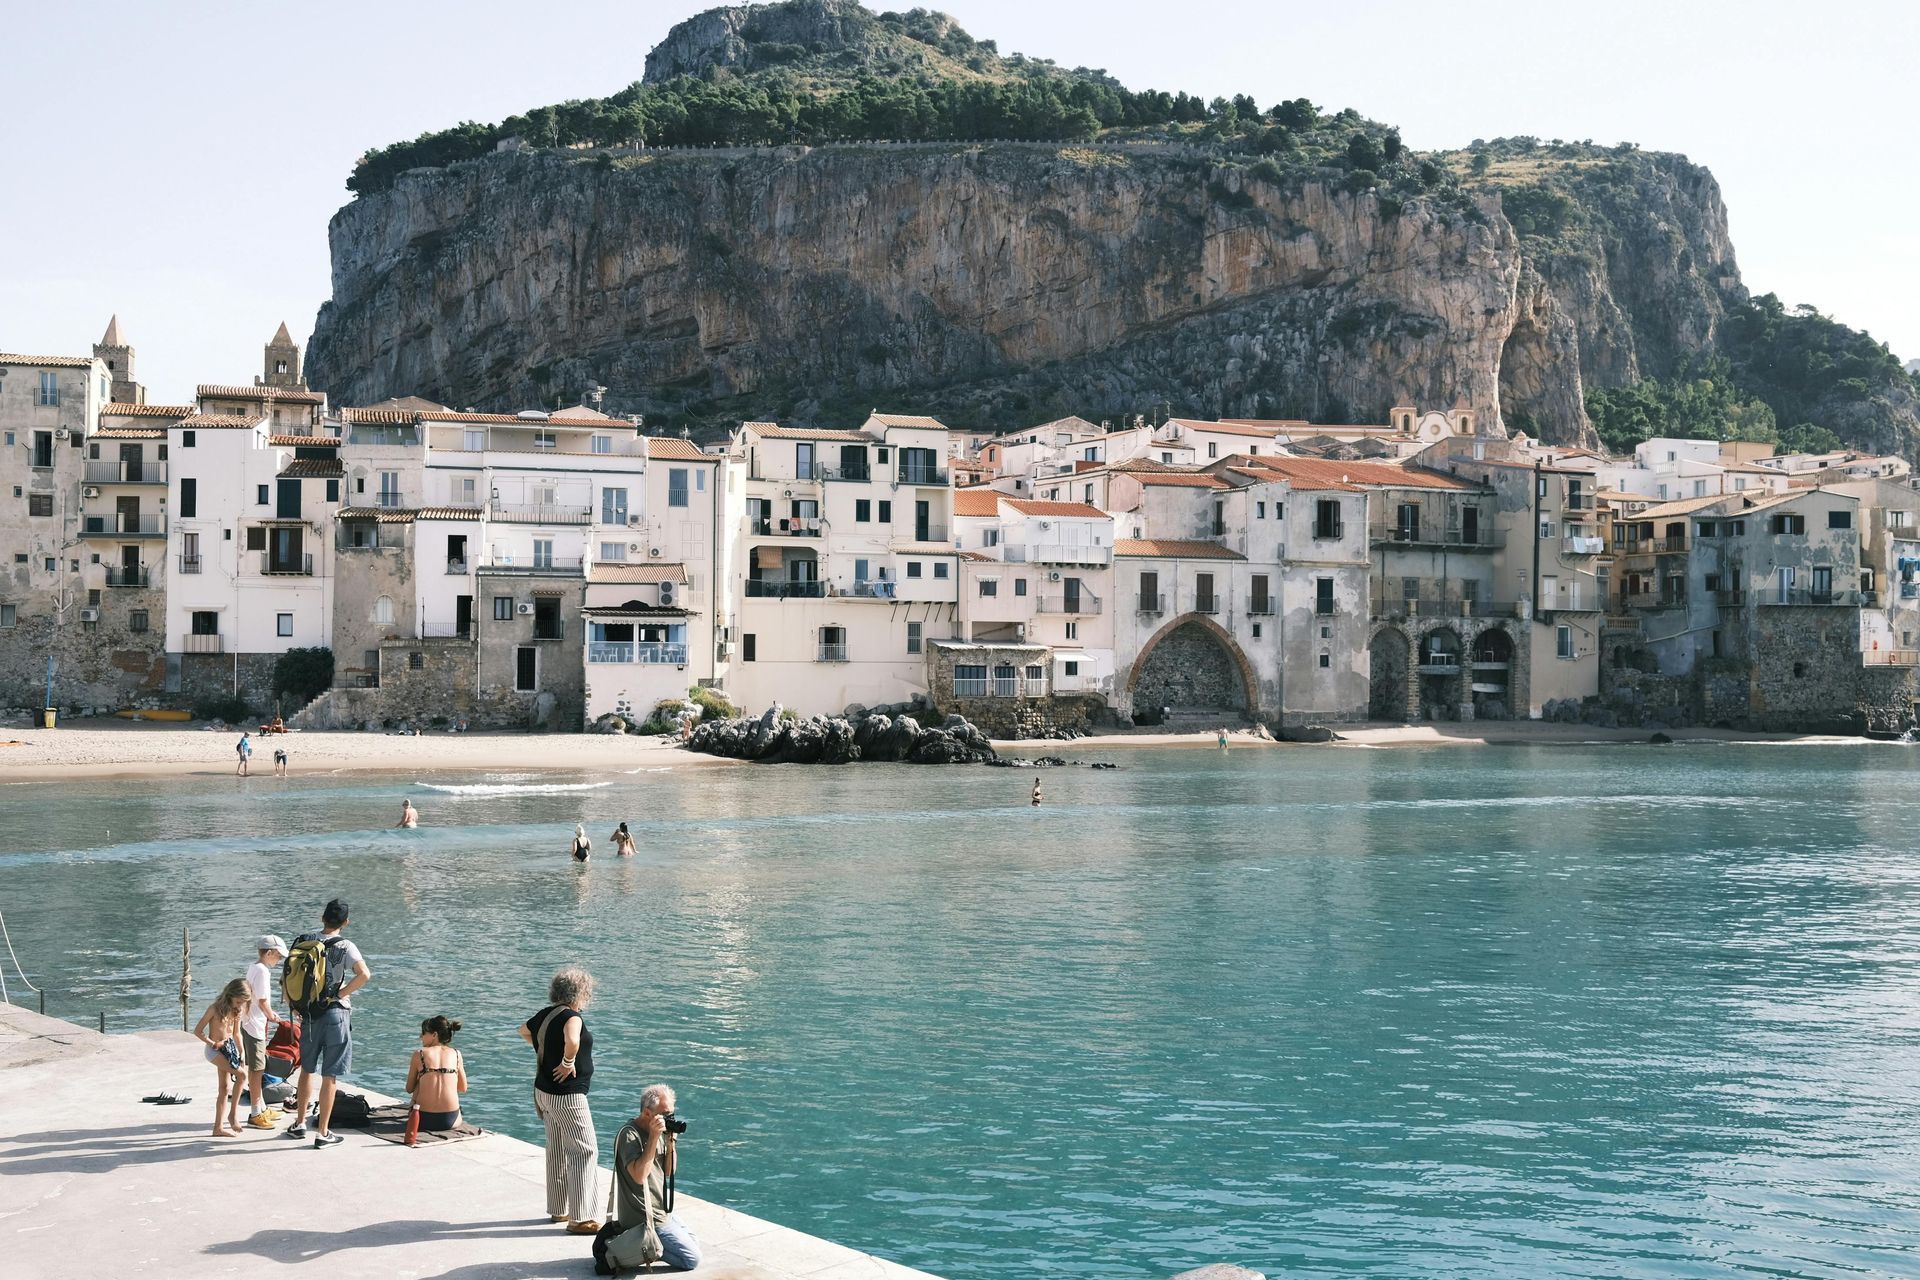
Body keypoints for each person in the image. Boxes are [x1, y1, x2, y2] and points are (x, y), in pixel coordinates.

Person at [286, 898, 371, 1149]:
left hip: (309, 1013)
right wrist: (341, 994)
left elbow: (290, 977)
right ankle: (323, 1132)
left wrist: (296, 1005)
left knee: (307, 1069)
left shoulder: (304, 939)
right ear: (346, 922)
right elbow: (364, 974)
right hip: (335, 1013)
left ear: (323, 917)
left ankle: (299, 1123)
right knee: (330, 1075)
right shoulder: (346, 945)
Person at [519, 968, 600, 1233]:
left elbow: (523, 1031)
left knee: (556, 1149)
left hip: (543, 1092)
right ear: (581, 993)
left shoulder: (545, 1014)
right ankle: (581, 1218)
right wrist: (567, 1062)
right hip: (567, 1096)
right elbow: (573, 1040)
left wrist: (545, 1048)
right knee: (584, 1150)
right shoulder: (572, 1017)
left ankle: (558, 1210)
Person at [602, 1083, 701, 1272]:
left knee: (694, 1242)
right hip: (642, 1218)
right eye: (664, 1115)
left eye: (670, 1114)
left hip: (659, 1211)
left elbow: (669, 1172)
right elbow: (639, 1176)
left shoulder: (661, 1132)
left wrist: (670, 1142)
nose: (668, 1119)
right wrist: (654, 1138)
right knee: (692, 1259)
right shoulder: (629, 1135)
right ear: (647, 1113)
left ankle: (650, 1247)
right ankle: (645, 1247)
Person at [192, 977, 251, 1137]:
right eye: (239, 1001)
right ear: (231, 995)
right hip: (214, 1050)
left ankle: (217, 1128)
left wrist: (242, 1052)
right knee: (242, 1075)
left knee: (224, 1089)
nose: (240, 1005)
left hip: (229, 1049)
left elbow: (237, 1033)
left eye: (243, 1002)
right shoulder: (214, 1008)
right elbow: (197, 1030)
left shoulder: (236, 1011)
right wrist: (212, 1043)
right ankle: (233, 1115)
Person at [241, 935, 287, 1130]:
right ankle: (255, 1113)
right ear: (269, 953)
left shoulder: (254, 967)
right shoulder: (263, 971)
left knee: (257, 1068)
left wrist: (267, 1014)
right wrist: (271, 1016)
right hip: (255, 1025)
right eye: (278, 956)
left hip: (250, 1022)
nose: (279, 960)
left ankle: (261, 1106)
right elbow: (262, 1000)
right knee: (257, 1069)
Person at [405, 1015, 468, 1133]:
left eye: (423, 1033)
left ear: (434, 1035)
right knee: (429, 1075)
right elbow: (462, 1088)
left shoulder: (420, 1054)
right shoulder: (456, 1054)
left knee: (422, 1077)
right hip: (451, 1120)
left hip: (423, 1119)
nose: (420, 1037)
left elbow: (409, 1088)